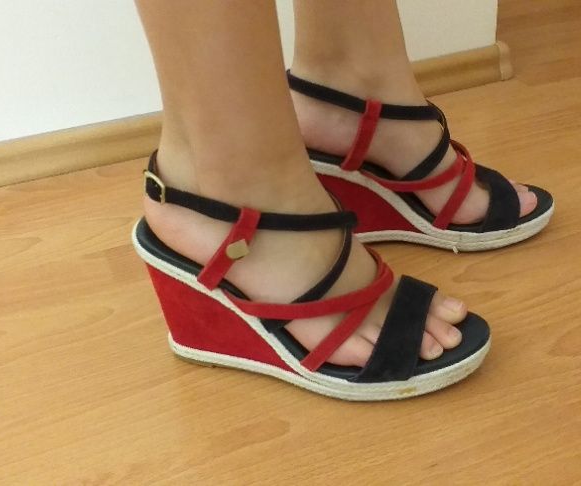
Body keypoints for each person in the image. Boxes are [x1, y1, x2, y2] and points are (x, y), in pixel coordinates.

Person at [132, 0, 553, 400]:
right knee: (230, 157)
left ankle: (344, 80)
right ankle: (228, 185)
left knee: (351, 59)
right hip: (228, 211)